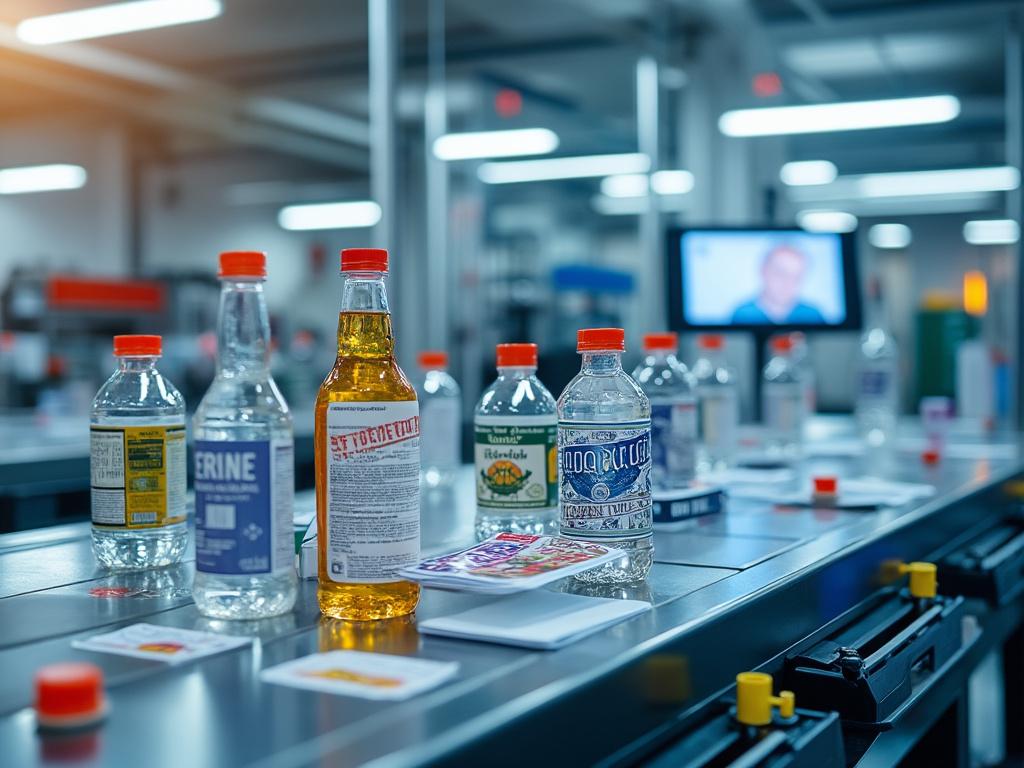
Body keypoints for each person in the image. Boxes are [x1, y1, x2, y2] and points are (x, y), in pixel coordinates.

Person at [731, 244, 825, 324]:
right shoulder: (743, 314)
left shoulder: (813, 315)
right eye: (781, 273)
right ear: (763, 271)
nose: (788, 283)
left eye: (796, 277)